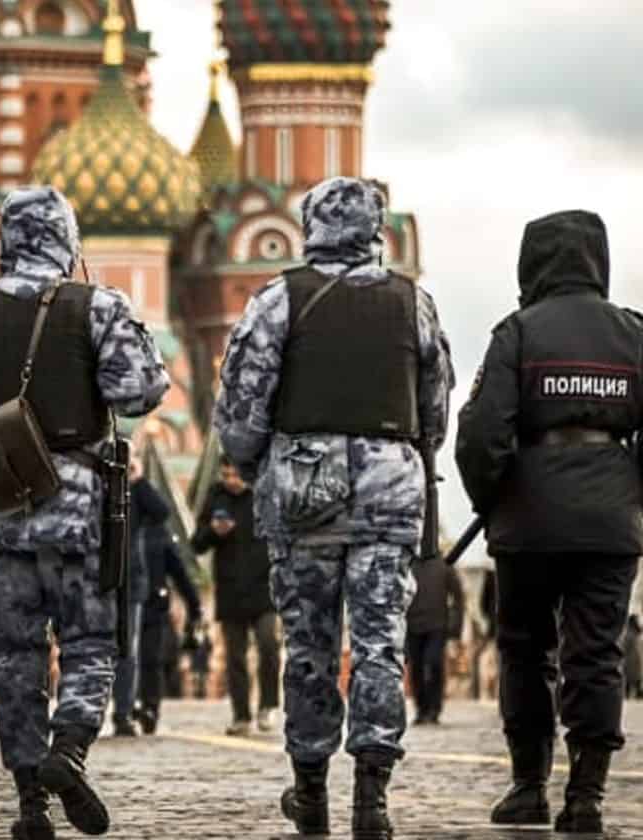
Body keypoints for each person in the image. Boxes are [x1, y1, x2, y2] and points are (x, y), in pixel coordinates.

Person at [0, 186, 169, 840]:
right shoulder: (97, 307)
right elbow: (140, 391)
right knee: (89, 642)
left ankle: (30, 800)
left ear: (6, 241)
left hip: (3, 503)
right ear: (67, 241)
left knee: (16, 656)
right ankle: (69, 750)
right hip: (81, 506)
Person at [214, 177, 453, 840]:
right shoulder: (413, 302)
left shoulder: (277, 299)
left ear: (311, 225)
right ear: (376, 227)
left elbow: (241, 409)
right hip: (390, 488)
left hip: (305, 487)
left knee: (309, 643)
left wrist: (259, 465)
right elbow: (435, 408)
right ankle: (372, 796)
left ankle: (311, 788)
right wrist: (403, 456)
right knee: (379, 642)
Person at [456, 210, 643, 835]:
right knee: (598, 654)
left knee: (525, 651)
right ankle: (586, 796)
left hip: (527, 517)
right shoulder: (633, 333)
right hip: (609, 520)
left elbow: (482, 432)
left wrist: (491, 498)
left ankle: (528, 786)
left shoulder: (517, 333)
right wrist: (630, 494)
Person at [191, 455, 277, 737]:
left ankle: (268, 704)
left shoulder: (264, 492)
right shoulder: (216, 496)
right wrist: (214, 532)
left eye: (236, 476)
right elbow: (197, 543)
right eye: (226, 475)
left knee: (268, 643)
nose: (231, 481)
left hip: (264, 586)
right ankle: (241, 715)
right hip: (230, 588)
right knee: (235, 656)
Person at [109, 460, 165, 737]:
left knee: (127, 651)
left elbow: (161, 512)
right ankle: (81, 712)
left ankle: (123, 712)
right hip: (97, 578)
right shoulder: (98, 484)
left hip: (130, 581)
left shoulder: (136, 493)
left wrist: (138, 480)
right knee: (88, 646)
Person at [135, 521, 203, 735]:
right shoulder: (155, 529)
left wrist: (194, 606)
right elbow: (179, 571)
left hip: (150, 605)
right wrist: (194, 606)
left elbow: (178, 571)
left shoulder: (157, 529)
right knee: (144, 659)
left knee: (149, 658)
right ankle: (136, 707)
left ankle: (147, 708)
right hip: (140, 603)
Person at [406, 553, 465, 725]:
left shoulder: (444, 564)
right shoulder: (409, 564)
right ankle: (421, 709)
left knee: (433, 663)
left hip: (437, 626)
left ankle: (434, 709)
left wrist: (455, 627)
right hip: (413, 625)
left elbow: (458, 597)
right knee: (416, 668)